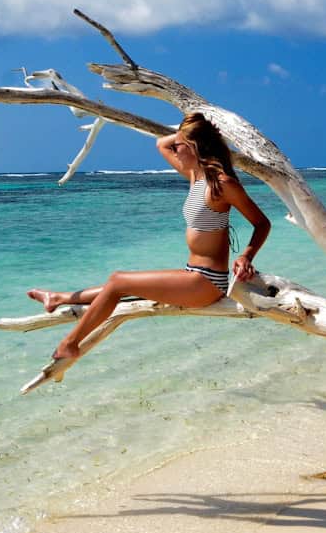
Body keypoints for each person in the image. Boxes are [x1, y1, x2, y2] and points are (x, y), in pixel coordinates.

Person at [27, 112, 271, 361]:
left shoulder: (222, 184)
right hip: (191, 274)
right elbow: (160, 143)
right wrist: (189, 131)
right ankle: (59, 297)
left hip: (207, 284)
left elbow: (261, 223)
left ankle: (70, 344)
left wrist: (246, 256)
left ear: (194, 147)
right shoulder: (195, 176)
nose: (174, 151)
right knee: (117, 287)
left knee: (118, 281)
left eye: (180, 147)